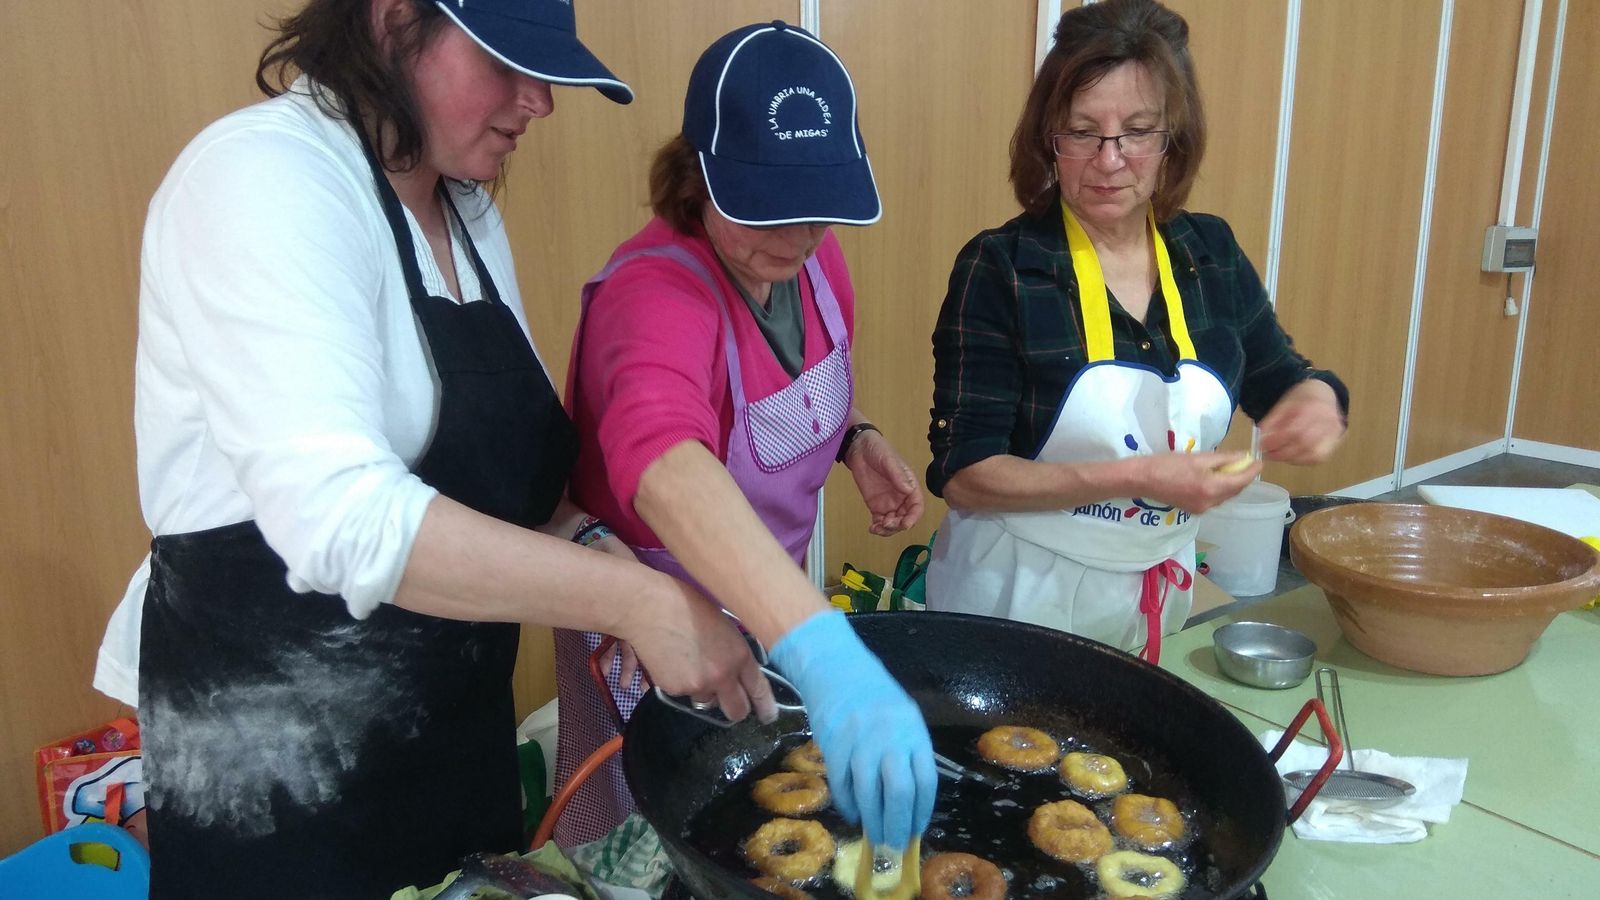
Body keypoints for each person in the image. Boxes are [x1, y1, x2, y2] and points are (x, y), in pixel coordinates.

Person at [96, 1, 779, 896]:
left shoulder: (460, 214)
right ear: (392, 19)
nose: (538, 101)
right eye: (507, 65)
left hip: (452, 751)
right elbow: (346, 517)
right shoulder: (262, 178)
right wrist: (640, 605)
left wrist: (591, 546)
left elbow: (504, 480)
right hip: (280, 789)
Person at [555, 21, 935, 852]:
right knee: (656, 834)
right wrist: (824, 648)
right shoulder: (653, 297)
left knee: (766, 803)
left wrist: (853, 437)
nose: (796, 240)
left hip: (772, 607)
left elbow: (785, 382)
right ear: (700, 175)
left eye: (816, 214)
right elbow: (663, 457)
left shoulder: (808, 259)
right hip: (651, 628)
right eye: (764, 210)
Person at [924, 0, 1348, 664]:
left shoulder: (1208, 253)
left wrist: (1317, 402)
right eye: (1083, 130)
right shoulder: (1003, 266)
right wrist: (1139, 475)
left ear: (1172, 138)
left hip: (1151, 594)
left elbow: (1281, 378)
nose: (1110, 160)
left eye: (1138, 131)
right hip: (1017, 593)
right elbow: (966, 473)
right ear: (1049, 139)